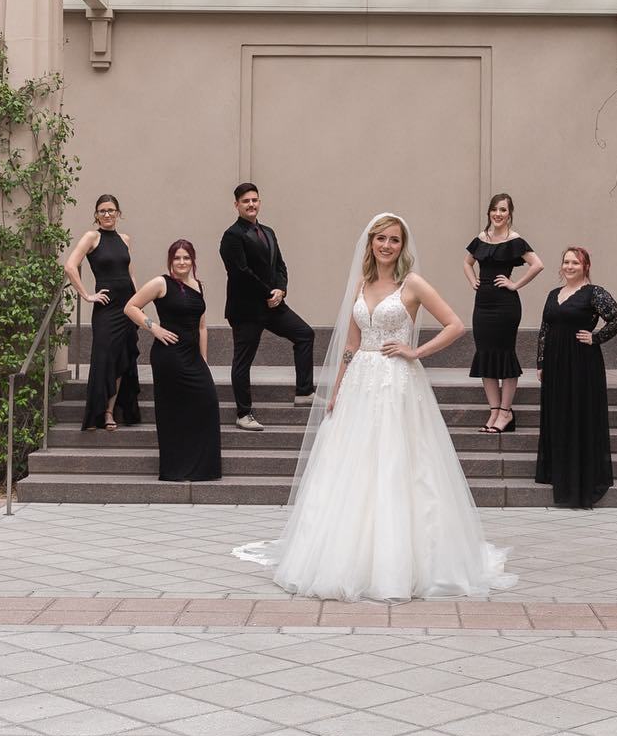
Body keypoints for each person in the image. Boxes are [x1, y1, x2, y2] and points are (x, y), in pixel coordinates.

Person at [234, 213, 517, 601]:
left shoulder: (412, 283)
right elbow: (351, 345)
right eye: (380, 239)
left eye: (394, 240)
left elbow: (455, 325)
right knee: (352, 466)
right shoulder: (361, 285)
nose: (386, 246)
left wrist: (415, 351)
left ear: (403, 246)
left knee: (399, 464)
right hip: (359, 384)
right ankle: (343, 555)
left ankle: (401, 561)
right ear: (370, 243)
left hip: (398, 382)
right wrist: (336, 390)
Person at [219, 183, 316, 431]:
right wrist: (268, 293)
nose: (251, 204)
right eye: (245, 201)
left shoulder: (269, 232)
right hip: (247, 310)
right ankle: (243, 414)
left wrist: (281, 291)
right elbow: (241, 273)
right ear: (236, 205)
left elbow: (280, 266)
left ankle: (304, 393)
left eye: (255, 200)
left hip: (273, 304)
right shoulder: (232, 236)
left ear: (259, 202)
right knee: (243, 362)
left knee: (305, 334)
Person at [535, 247, 617, 508]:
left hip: (582, 362)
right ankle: (557, 471)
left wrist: (596, 338)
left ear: (585, 266)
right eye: (566, 261)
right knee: (558, 414)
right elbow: (545, 329)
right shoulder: (554, 294)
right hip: (555, 363)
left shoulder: (594, 292)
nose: (569, 266)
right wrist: (541, 362)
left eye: (575, 262)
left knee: (578, 414)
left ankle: (579, 478)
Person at [124, 240, 222, 482]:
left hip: (192, 356)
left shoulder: (198, 285)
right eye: (177, 258)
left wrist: (204, 360)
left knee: (207, 402)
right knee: (173, 410)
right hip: (169, 356)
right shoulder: (161, 283)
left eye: (186, 258)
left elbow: (202, 326)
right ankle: (176, 469)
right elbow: (130, 307)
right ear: (170, 260)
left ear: (193, 260)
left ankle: (203, 468)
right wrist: (154, 328)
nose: (181, 262)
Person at [463, 193, 544, 434]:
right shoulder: (481, 238)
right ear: (489, 212)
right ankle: (494, 411)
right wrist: (472, 280)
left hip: (505, 306)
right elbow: (467, 262)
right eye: (495, 209)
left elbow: (537, 264)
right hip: (482, 305)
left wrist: (515, 284)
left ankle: (506, 413)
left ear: (510, 214)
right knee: (485, 355)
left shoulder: (515, 240)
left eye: (503, 210)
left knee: (505, 355)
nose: (498, 214)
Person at [64, 194, 141, 430]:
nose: (107, 214)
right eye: (102, 211)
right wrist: (87, 295)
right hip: (106, 308)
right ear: (96, 215)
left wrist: (138, 301)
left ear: (118, 213)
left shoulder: (125, 239)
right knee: (104, 357)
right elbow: (70, 266)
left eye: (111, 210)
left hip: (127, 305)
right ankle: (96, 412)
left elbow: (130, 274)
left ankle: (109, 411)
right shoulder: (92, 237)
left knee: (121, 359)